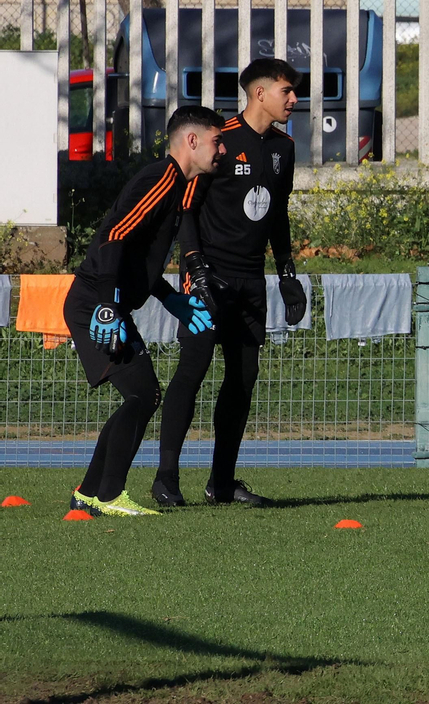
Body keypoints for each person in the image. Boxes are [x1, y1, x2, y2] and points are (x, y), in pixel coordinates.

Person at [152, 58, 305, 508]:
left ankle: (221, 483)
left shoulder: (284, 148)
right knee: (193, 369)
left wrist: (287, 274)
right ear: (259, 93)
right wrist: (194, 264)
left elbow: (278, 215)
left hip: (251, 280)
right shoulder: (221, 140)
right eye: (286, 91)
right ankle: (166, 478)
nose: (294, 99)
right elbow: (187, 209)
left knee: (243, 377)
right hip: (207, 277)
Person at [68, 105, 227, 517]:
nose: (223, 149)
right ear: (192, 141)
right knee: (143, 394)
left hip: (104, 301)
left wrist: (170, 298)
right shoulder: (161, 178)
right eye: (217, 141)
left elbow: (138, 259)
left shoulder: (177, 186)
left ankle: (88, 493)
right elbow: (113, 236)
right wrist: (107, 304)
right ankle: (108, 495)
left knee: (143, 394)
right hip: (94, 303)